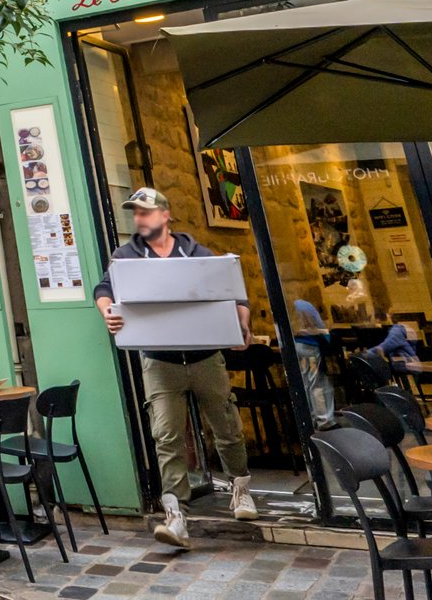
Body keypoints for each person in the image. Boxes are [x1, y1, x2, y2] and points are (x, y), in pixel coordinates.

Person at [93, 187, 256, 545]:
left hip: (205, 358)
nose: (139, 218)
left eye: (145, 212)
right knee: (166, 437)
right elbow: (103, 289)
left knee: (227, 427)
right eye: (135, 213)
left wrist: (242, 321)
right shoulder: (126, 257)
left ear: (165, 215)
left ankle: (241, 489)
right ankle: (176, 516)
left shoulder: (195, 253)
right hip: (159, 362)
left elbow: (234, 291)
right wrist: (107, 311)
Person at [288, 299, 335, 428]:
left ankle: (310, 418)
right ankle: (324, 420)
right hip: (310, 345)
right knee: (317, 384)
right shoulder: (306, 305)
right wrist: (327, 339)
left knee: (305, 383)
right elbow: (320, 326)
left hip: (295, 346)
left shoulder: (288, 307)